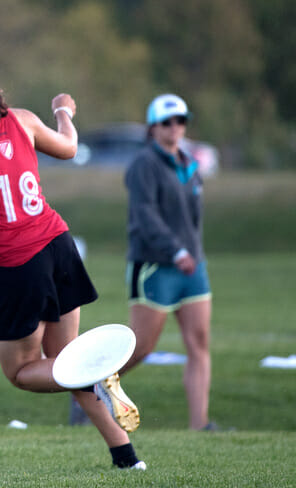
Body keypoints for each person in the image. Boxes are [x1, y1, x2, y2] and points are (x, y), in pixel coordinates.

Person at [0, 53, 145, 470]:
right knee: (67, 362)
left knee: (23, 372)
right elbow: (70, 146)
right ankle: (127, 458)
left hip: (16, 264)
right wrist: (62, 111)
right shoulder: (21, 118)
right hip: (58, 245)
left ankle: (96, 374)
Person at [119, 94, 214, 431]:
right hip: (156, 267)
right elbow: (145, 216)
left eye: (180, 121)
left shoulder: (189, 163)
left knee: (199, 343)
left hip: (193, 269)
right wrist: (175, 250)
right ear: (153, 127)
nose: (175, 128)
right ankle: (89, 391)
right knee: (142, 347)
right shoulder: (144, 164)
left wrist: (191, 253)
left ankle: (199, 425)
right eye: (166, 122)